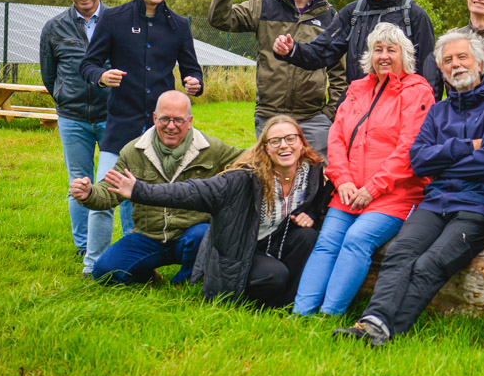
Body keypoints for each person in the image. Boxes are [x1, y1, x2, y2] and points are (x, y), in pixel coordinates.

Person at [334, 28, 484, 345]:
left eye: (462, 57)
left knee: (432, 262)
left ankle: (385, 330)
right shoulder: (439, 110)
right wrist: (468, 146)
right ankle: (372, 321)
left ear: (480, 63)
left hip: (478, 208)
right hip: (435, 202)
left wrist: (442, 157)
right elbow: (418, 161)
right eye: (447, 61)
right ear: (440, 69)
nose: (455, 65)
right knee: (401, 251)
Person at [101, 115, 328, 307]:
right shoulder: (244, 178)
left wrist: (311, 216)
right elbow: (191, 191)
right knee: (276, 275)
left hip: (276, 241)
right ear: (265, 148)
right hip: (239, 250)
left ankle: (290, 306)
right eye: (275, 141)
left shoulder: (313, 172)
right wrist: (140, 190)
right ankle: (255, 295)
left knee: (308, 237)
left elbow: (322, 201)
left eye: (290, 138)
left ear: (301, 142)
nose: (284, 145)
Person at [293, 23, 435, 316]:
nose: (383, 56)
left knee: (357, 240)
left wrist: (373, 188)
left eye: (391, 50)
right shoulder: (357, 89)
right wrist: (342, 179)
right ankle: (301, 313)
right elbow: (336, 138)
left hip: (394, 194)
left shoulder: (418, 91)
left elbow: (409, 148)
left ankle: (330, 313)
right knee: (327, 242)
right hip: (348, 191)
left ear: (404, 55)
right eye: (378, 50)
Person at [79, 0, 204, 273]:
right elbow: (88, 64)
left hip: (162, 132)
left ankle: (136, 261)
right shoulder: (114, 19)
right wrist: (101, 76)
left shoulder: (179, 25)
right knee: (104, 195)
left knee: (146, 199)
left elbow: (193, 71)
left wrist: (194, 83)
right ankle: (93, 263)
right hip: (120, 125)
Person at [70, 91, 242, 286]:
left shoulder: (213, 149)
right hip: (148, 236)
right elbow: (108, 191)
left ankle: (184, 281)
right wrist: (89, 193)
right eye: (165, 119)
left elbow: (247, 162)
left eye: (178, 120)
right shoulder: (133, 151)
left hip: (192, 234)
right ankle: (147, 275)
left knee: (204, 235)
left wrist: (277, 151)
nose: (171, 126)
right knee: (104, 272)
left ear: (190, 120)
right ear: (154, 118)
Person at [208, 0, 348, 153]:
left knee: (319, 182)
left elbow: (340, 71)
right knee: (270, 181)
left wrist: (330, 114)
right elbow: (219, 18)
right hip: (270, 116)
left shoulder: (329, 16)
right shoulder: (263, 6)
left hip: (313, 119)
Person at [273, 0, 442, 99]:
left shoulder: (414, 16)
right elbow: (321, 52)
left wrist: (425, 118)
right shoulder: (352, 13)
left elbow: (430, 77)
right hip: (359, 109)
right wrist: (292, 50)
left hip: (400, 112)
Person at [39, 0, 110, 270]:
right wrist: (65, 97)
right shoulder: (54, 27)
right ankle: (83, 246)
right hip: (73, 118)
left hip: (113, 116)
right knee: (79, 182)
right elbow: (48, 74)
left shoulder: (117, 22)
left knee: (121, 182)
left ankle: (130, 243)